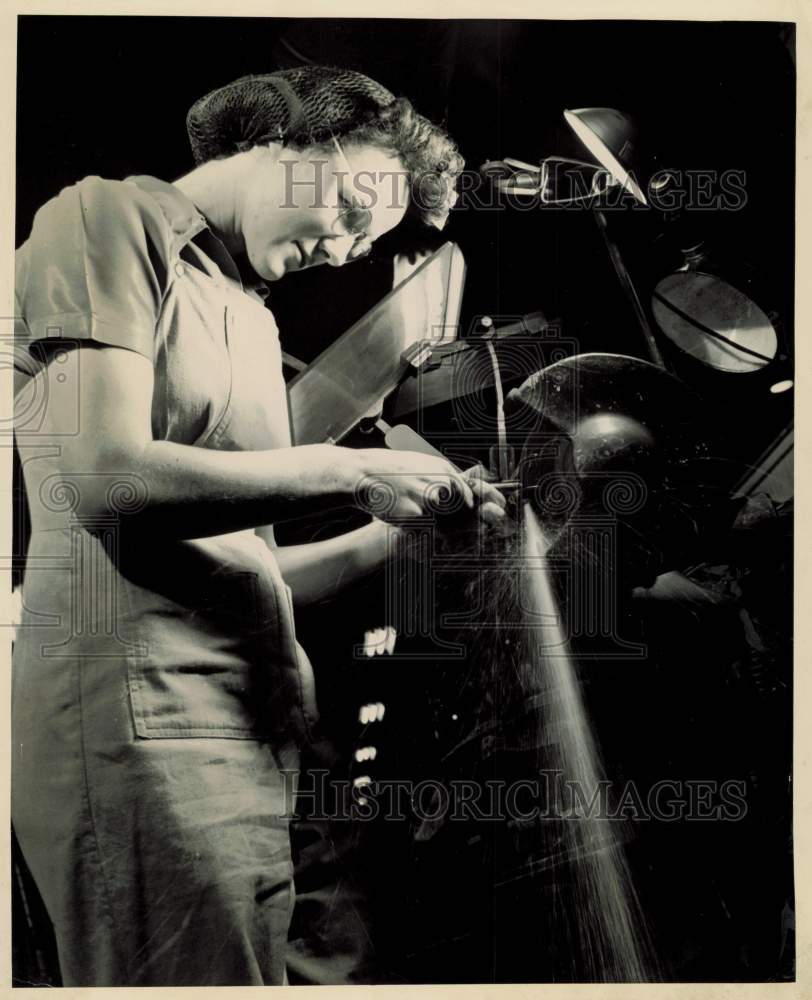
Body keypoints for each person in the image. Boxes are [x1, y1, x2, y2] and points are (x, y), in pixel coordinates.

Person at [11, 66, 505, 986]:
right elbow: (108, 480)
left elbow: (259, 574)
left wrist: (410, 529)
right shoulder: (108, 218)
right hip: (142, 731)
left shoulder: (242, 310)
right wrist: (356, 469)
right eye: (355, 205)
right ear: (279, 142)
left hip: (249, 734)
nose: (350, 248)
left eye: (373, 240)